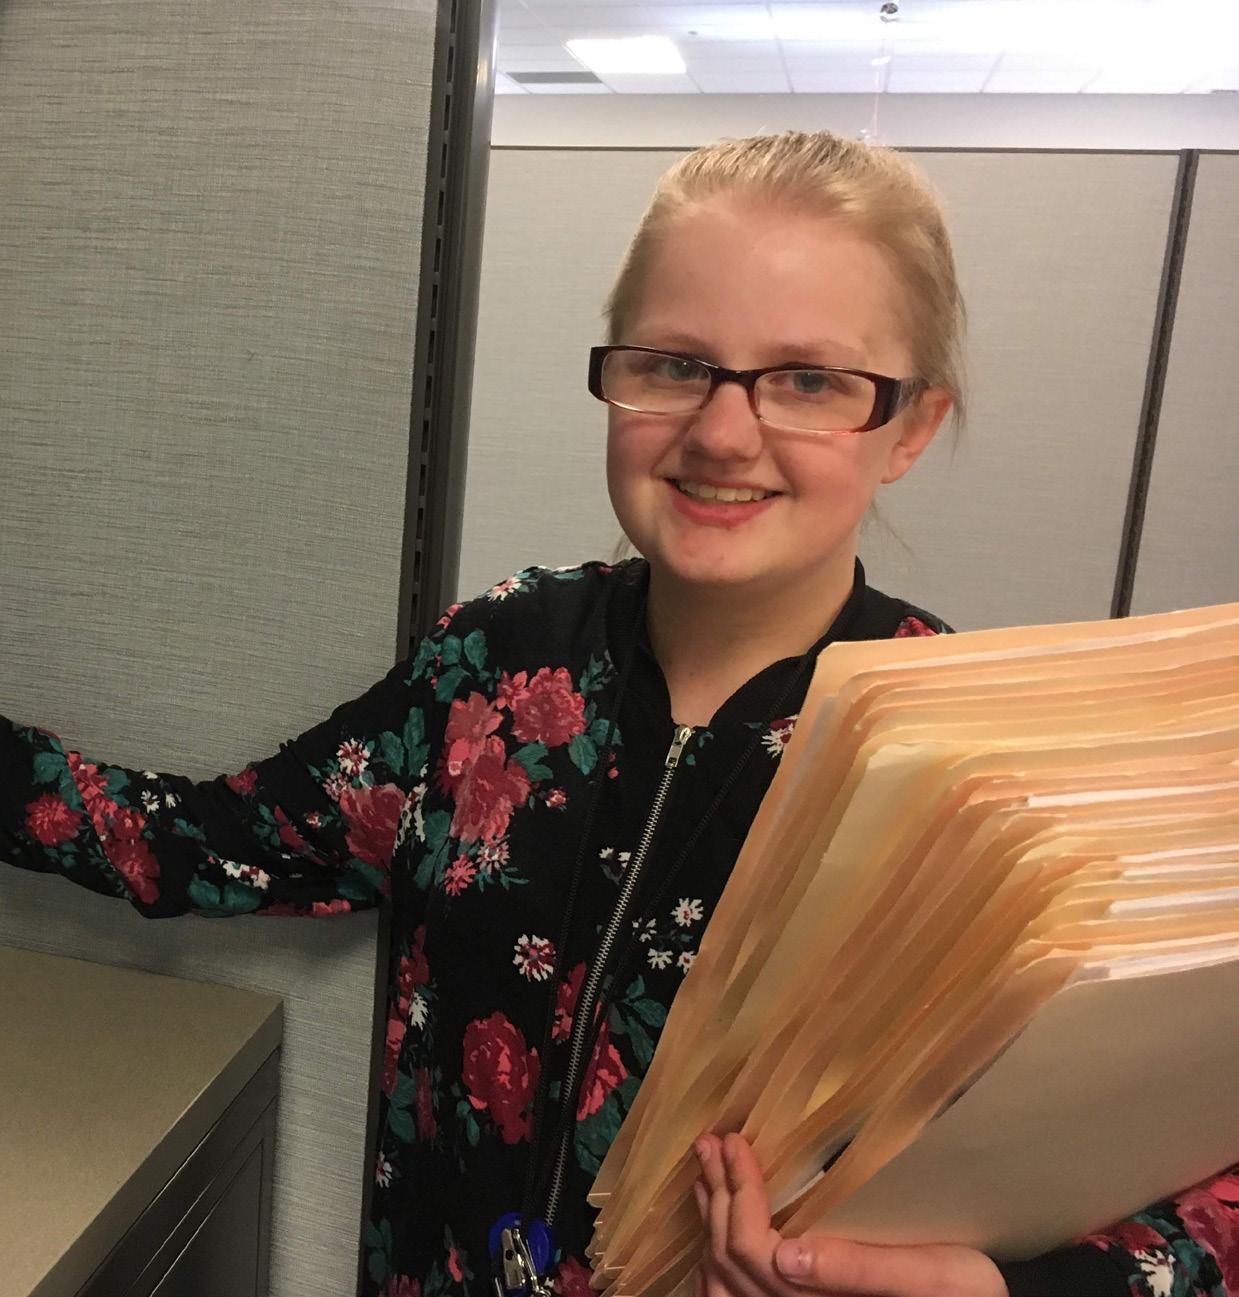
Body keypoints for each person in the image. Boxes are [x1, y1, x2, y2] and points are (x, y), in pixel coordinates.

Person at [1, 130, 1235, 1297]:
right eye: (676, 364)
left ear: (910, 426)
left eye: (810, 379)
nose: (724, 431)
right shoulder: (496, 667)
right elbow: (199, 844)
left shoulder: (980, 766)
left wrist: (1009, 1286)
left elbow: (1188, 1153)